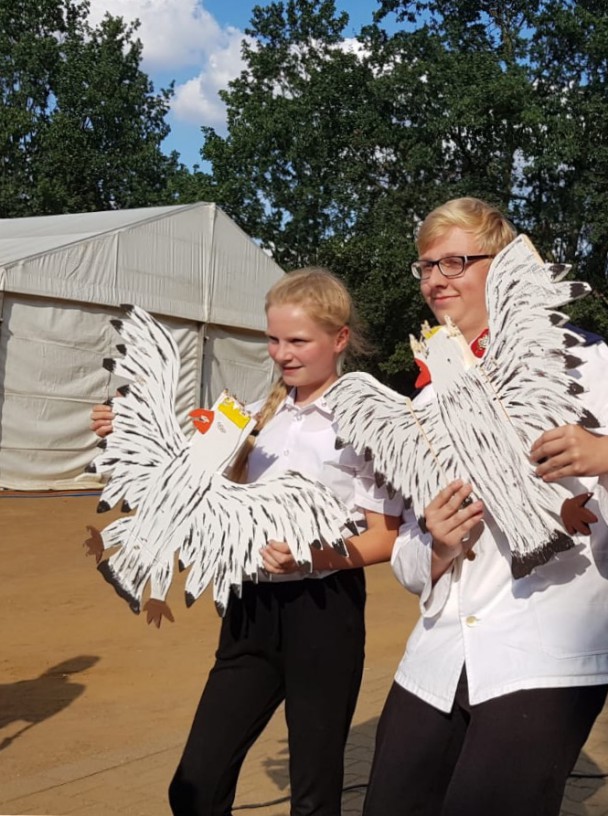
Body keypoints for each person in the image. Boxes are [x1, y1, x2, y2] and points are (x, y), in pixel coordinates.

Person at [361, 197, 608, 816]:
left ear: (503, 263)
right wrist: (436, 546)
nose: (434, 280)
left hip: (549, 646)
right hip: (440, 650)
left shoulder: (577, 355)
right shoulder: (425, 401)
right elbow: (407, 549)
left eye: (455, 262)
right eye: (426, 266)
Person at [91, 268, 402, 816]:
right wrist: (130, 431)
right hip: (250, 610)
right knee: (194, 786)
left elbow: (387, 537)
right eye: (273, 339)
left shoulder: (366, 421)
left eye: (298, 340)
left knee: (313, 795)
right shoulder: (258, 414)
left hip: (323, 613)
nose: (282, 354)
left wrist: (313, 555)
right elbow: (199, 486)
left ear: (340, 338)